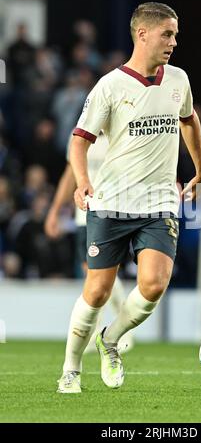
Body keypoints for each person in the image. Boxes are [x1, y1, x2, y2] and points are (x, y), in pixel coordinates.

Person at [57, 2, 201, 393]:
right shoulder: (110, 86)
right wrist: (82, 181)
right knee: (97, 291)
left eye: (175, 34)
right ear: (142, 34)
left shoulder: (178, 79)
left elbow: (189, 120)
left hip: (159, 202)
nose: (174, 42)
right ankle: (71, 369)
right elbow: (78, 142)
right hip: (110, 202)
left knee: (155, 283)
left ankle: (110, 340)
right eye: (168, 34)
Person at [44, 135, 134, 353]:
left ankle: (124, 331)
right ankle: (107, 331)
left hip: (111, 213)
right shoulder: (79, 136)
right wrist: (55, 210)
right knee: (93, 274)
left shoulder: (120, 132)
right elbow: (70, 175)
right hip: (83, 216)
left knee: (101, 274)